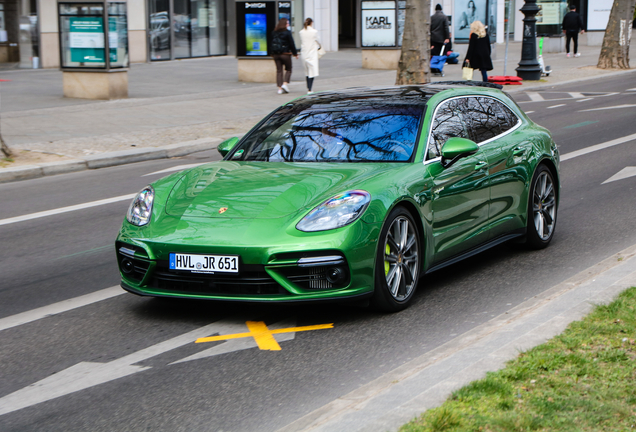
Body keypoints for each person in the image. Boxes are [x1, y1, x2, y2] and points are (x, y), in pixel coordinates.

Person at [271, 18, 298, 94]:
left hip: (276, 54)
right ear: (284, 24)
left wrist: (272, 53)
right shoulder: (287, 32)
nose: (288, 24)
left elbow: (270, 43)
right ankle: (285, 84)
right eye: (287, 23)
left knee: (279, 71)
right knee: (289, 69)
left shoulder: (274, 32)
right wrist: (295, 53)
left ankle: (279, 88)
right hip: (285, 54)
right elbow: (292, 44)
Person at [299, 18, 320, 94]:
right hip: (312, 53)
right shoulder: (314, 32)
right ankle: (310, 89)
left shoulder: (301, 32)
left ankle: (309, 88)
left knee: (307, 71)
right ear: (311, 23)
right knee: (312, 70)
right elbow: (318, 41)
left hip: (304, 53)